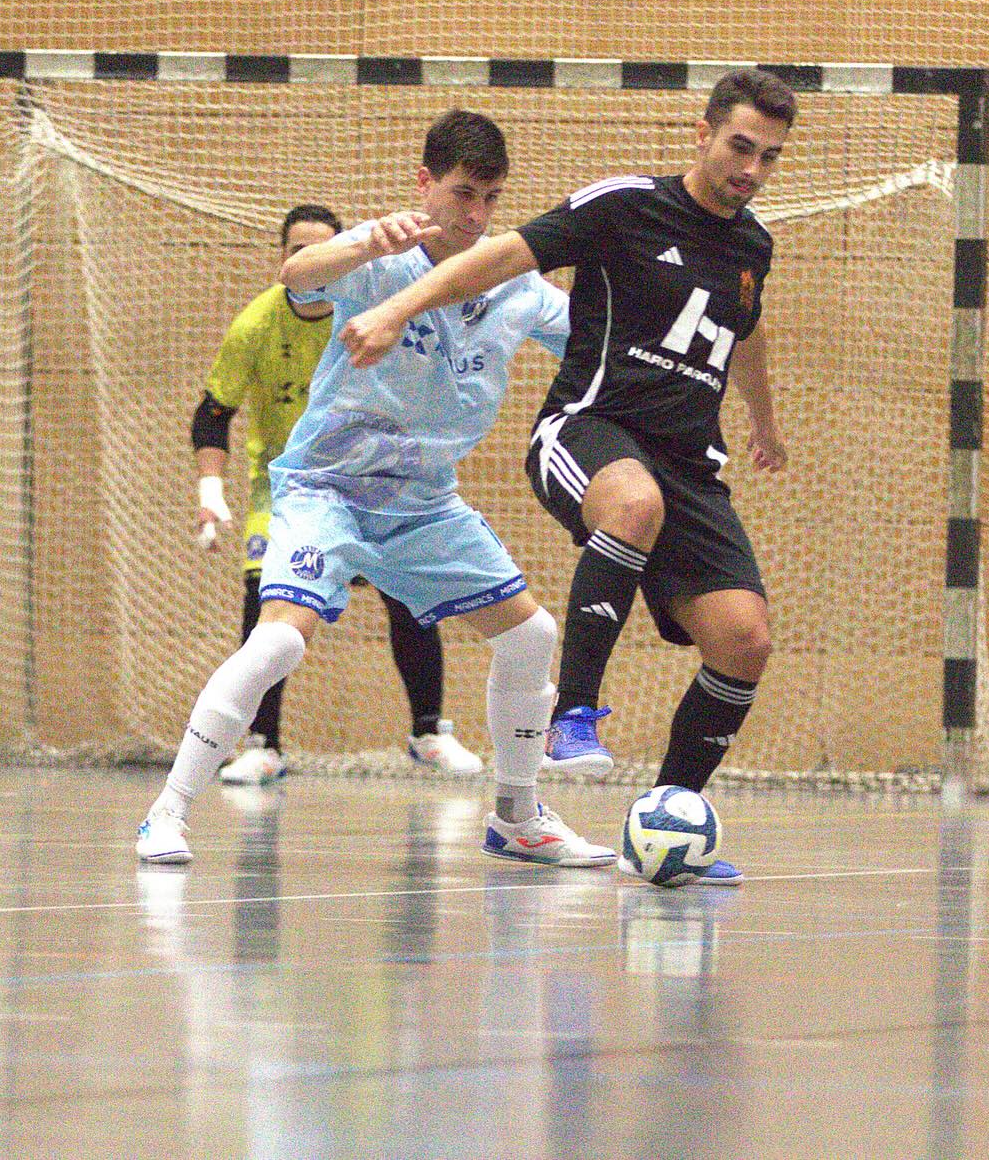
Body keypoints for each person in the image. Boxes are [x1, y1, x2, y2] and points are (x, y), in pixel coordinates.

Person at [340, 68, 799, 886]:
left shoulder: (752, 245)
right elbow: (496, 259)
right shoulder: (624, 205)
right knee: (634, 503)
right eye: (740, 147)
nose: (752, 169)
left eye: (769, 157)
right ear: (702, 133)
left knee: (745, 640)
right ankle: (572, 713)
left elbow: (748, 328)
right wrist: (396, 307)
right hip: (590, 429)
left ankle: (669, 819)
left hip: (690, 464)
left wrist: (763, 421)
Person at [137, 109, 614, 870]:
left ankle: (517, 816)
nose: (476, 215)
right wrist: (361, 241)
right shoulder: (384, 255)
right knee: (279, 640)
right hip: (326, 489)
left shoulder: (514, 284)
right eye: (463, 193)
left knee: (531, 636)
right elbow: (297, 276)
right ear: (425, 183)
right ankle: (167, 811)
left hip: (423, 503)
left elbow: (602, 333)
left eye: (492, 198)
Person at [192, 204, 481, 783]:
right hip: (288, 490)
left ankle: (428, 732)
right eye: (297, 250)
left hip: (371, 481)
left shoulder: (374, 307)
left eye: (319, 248)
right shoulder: (255, 326)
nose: (308, 259)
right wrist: (210, 489)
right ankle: (262, 744)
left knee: (409, 593)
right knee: (267, 607)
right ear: (283, 258)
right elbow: (213, 412)